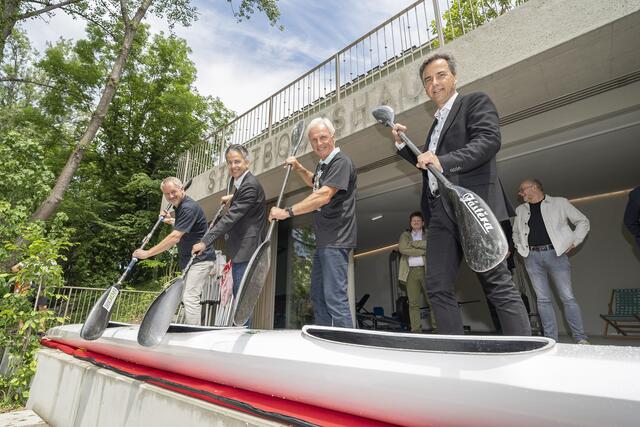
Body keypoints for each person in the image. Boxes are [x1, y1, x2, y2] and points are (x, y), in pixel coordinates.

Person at [390, 53, 530, 336]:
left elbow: (489, 140)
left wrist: (445, 160)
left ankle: (524, 349)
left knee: (495, 280)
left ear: (454, 77)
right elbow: (429, 166)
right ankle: (454, 350)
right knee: (437, 285)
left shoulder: (474, 102)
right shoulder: (435, 125)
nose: (434, 83)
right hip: (440, 212)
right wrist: (404, 147)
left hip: (471, 204)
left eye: (441, 75)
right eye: (428, 80)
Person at [269, 117, 357, 328]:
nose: (319, 143)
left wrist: (287, 212)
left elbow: (323, 195)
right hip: (324, 241)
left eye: (323, 137)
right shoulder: (323, 165)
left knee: (335, 298)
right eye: (314, 140)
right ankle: (327, 341)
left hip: (336, 239)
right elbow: (316, 183)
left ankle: (351, 349)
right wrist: (299, 167)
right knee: (318, 297)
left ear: (333, 137)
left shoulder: (340, 162)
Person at [513, 178, 590, 344]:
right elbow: (516, 234)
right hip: (531, 257)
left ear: (534, 187)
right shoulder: (520, 210)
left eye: (522, 190)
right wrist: (521, 249)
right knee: (542, 300)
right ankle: (550, 339)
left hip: (556, 254)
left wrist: (575, 241)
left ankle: (580, 338)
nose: (520, 193)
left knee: (567, 297)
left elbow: (582, 221)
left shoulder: (559, 203)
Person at [133, 177, 215, 325]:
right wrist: (171, 220)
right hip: (189, 261)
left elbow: (175, 237)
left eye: (173, 192)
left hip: (201, 260)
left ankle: (192, 336)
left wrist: (147, 253)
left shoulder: (188, 207)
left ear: (182, 189)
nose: (170, 196)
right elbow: (185, 226)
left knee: (190, 297)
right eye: (167, 194)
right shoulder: (181, 207)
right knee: (186, 297)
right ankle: (186, 328)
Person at [192, 144, 266, 301]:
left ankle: (243, 327)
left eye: (237, 162)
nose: (233, 166)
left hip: (246, 250)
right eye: (230, 162)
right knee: (239, 297)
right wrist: (233, 197)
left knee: (242, 299)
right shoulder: (242, 185)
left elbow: (230, 218)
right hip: (241, 249)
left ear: (247, 162)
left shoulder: (249, 185)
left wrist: (205, 241)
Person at [397, 211, 435, 333]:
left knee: (432, 300)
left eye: (418, 220)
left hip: (426, 271)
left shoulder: (428, 234)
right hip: (410, 273)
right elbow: (403, 248)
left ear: (423, 223)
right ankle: (416, 330)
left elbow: (430, 245)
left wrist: (413, 244)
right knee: (413, 303)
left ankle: (437, 328)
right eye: (414, 221)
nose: (416, 222)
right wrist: (422, 251)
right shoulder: (405, 235)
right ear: (410, 223)